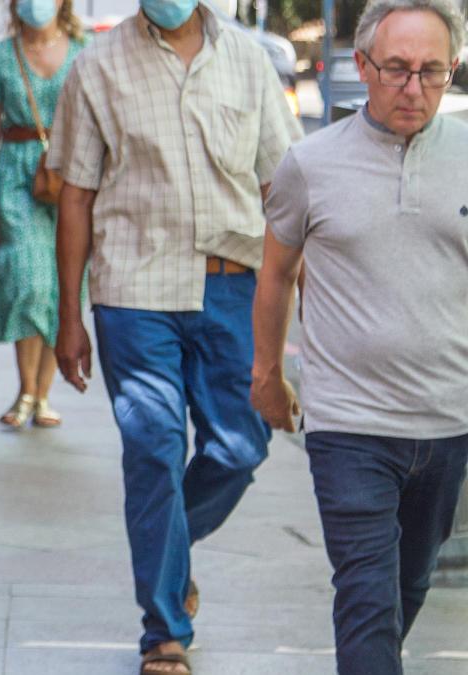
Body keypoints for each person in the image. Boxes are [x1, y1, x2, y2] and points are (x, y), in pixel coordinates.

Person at [48, 0, 303, 670]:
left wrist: (310, 291)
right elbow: (74, 194)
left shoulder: (248, 59)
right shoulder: (96, 66)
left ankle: (171, 552)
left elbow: (284, 183)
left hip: (232, 285)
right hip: (133, 291)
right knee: (152, 447)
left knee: (241, 445)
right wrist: (68, 314)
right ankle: (163, 629)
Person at [252, 0, 467, 672]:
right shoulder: (310, 164)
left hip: (447, 419)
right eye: (398, 69)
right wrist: (268, 375)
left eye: (432, 72)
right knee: (368, 598)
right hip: (348, 423)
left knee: (408, 588)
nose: (414, 88)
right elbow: (276, 273)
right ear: (363, 66)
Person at [0, 0, 87, 428]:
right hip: (15, 175)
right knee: (29, 280)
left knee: (63, 285)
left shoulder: (85, 49)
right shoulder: (0, 56)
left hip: (73, 175)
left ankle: (43, 395)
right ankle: (26, 390)